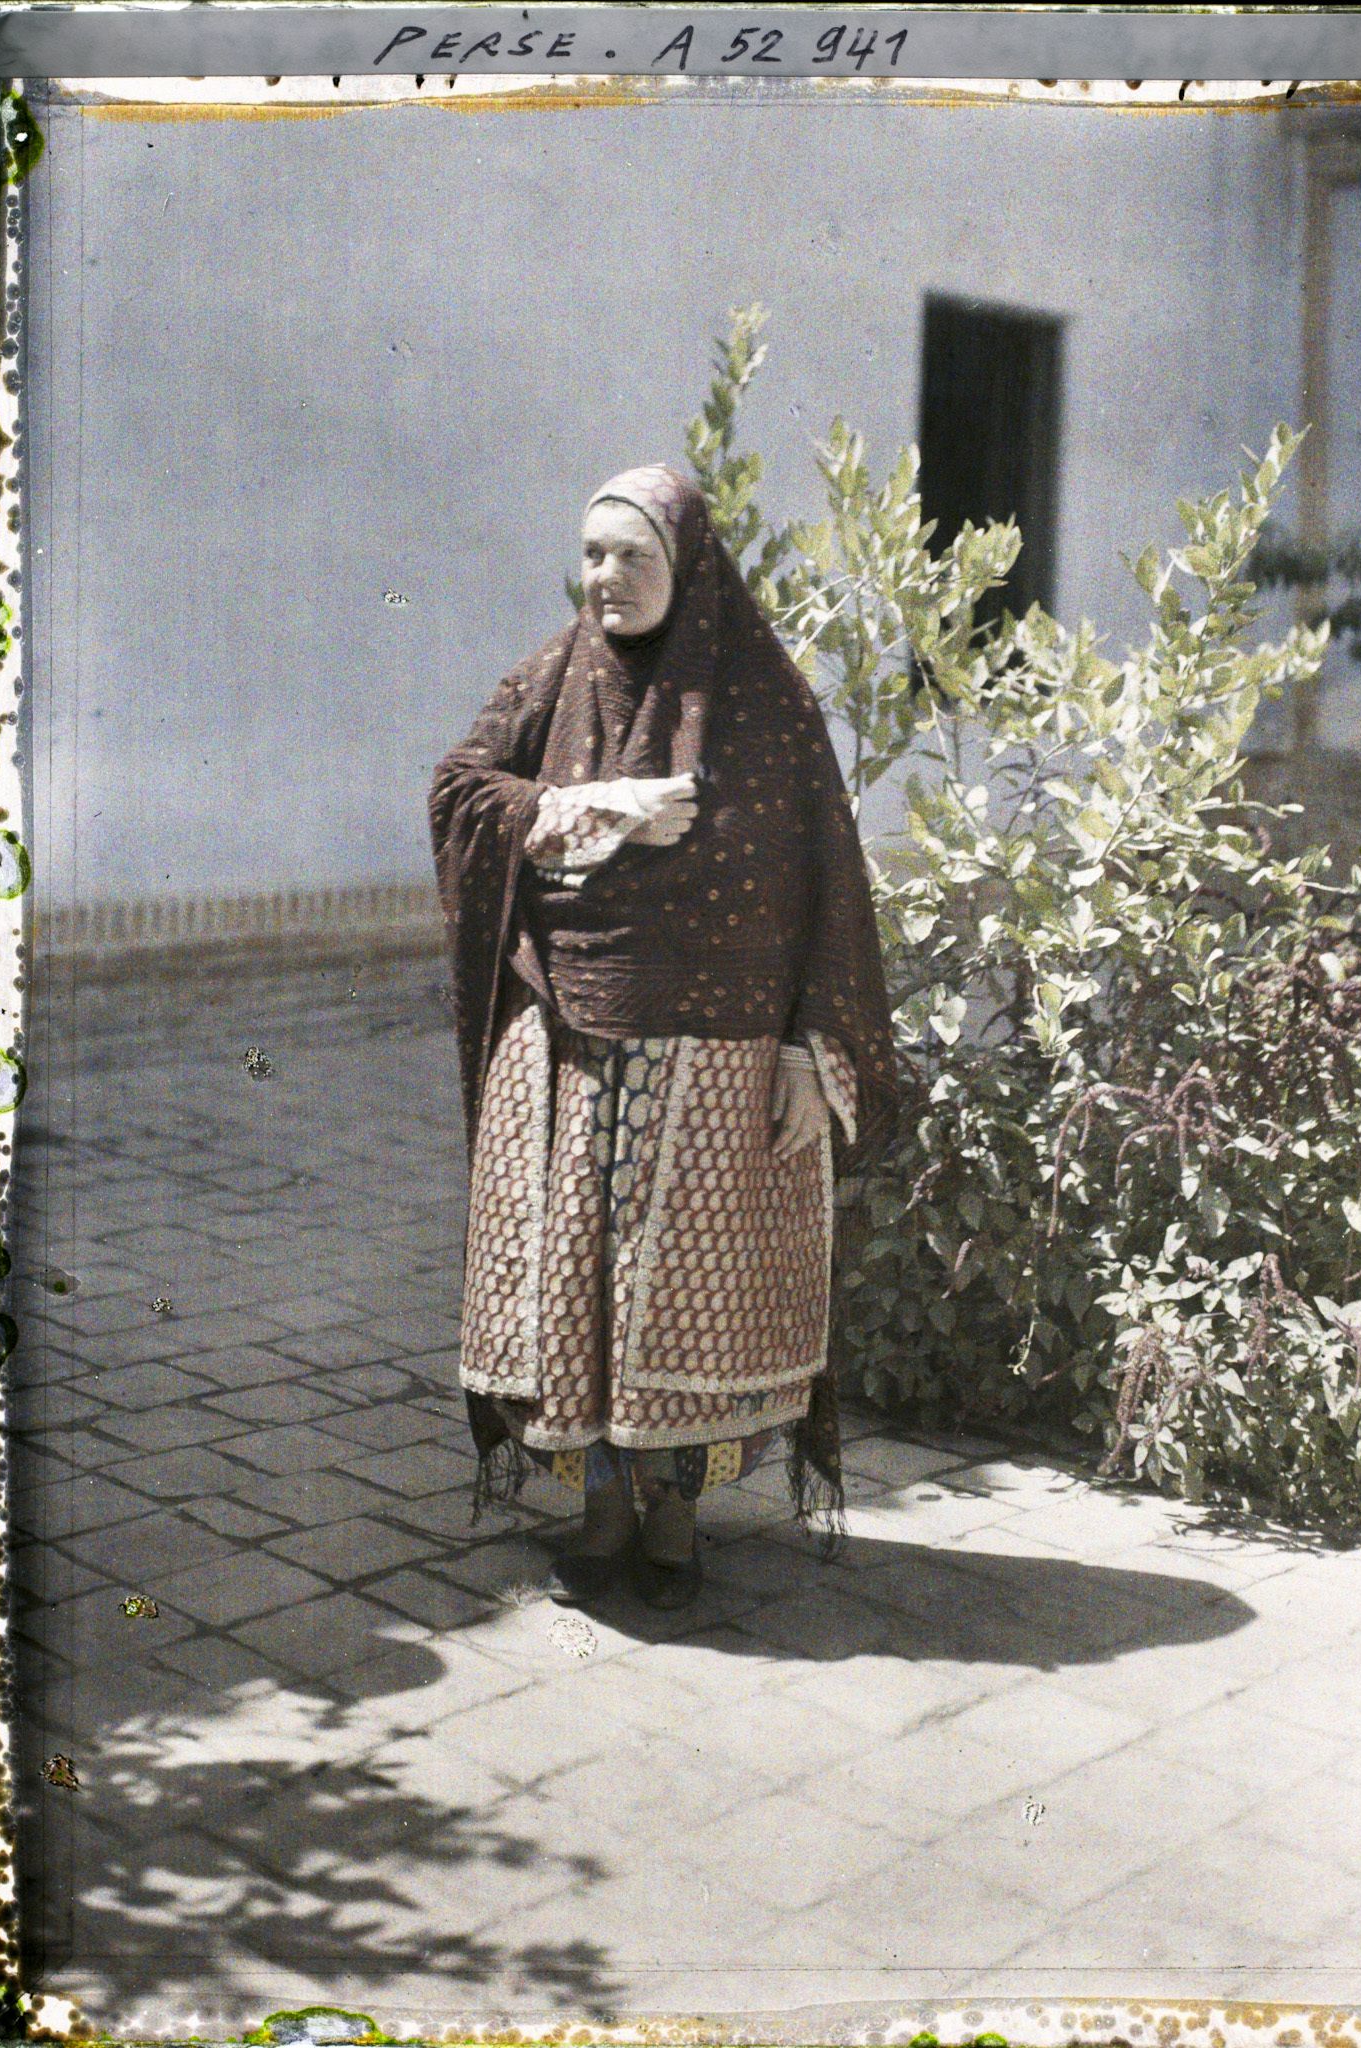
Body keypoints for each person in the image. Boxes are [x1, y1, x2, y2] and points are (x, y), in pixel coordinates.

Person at [429, 464, 897, 1609]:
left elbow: (829, 879)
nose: (605, 577)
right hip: (567, 1041)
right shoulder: (553, 674)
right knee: (573, 1288)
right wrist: (580, 808)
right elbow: (457, 789)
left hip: (721, 1059)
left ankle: (676, 1511)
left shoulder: (768, 702)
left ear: (686, 563)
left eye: (631, 555)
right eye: (592, 553)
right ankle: (596, 1505)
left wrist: (808, 1048)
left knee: (687, 1295)